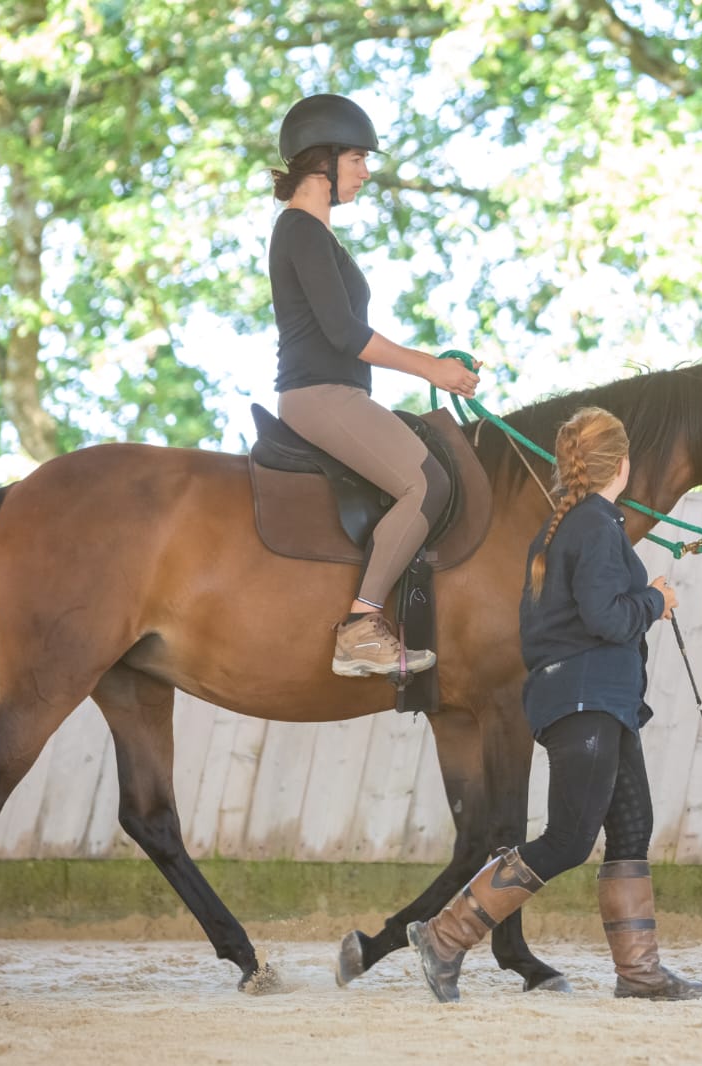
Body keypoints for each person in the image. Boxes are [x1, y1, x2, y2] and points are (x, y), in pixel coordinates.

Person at [406, 406, 702, 1002]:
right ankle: (444, 937)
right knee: (569, 840)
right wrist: (655, 599)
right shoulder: (597, 528)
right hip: (589, 699)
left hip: (599, 698)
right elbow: (604, 617)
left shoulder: (565, 528)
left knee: (631, 826)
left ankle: (640, 974)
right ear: (622, 465)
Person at [268, 94, 481, 678]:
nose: (366, 171)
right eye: (358, 158)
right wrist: (431, 368)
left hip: (339, 394)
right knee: (426, 485)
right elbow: (344, 333)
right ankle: (362, 627)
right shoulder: (301, 232)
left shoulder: (314, 235)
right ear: (324, 160)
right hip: (322, 394)